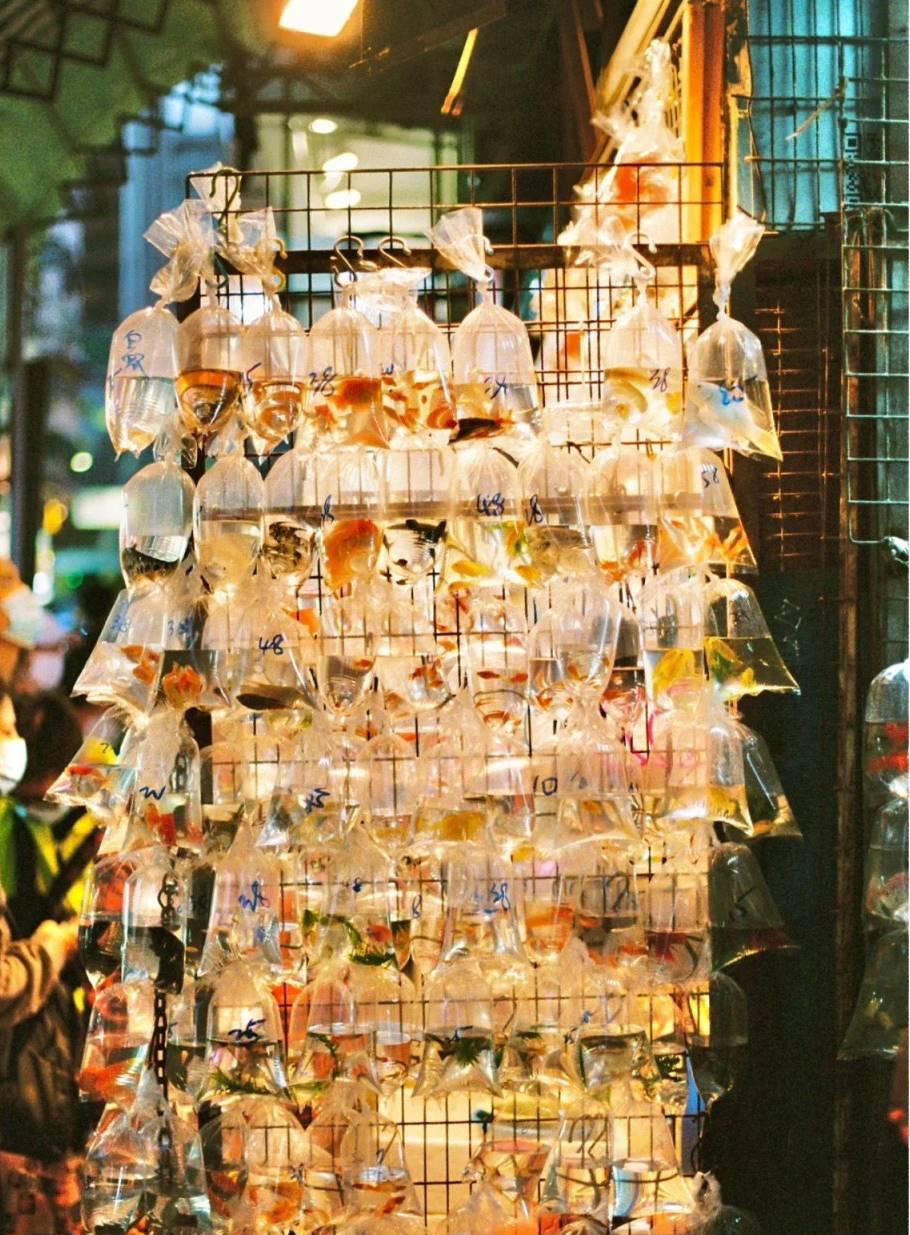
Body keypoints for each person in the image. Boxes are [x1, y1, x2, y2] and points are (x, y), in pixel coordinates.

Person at [0, 688, 96, 1235]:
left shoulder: (5, 821)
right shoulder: (98, 827)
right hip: (50, 1037)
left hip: (46, 1047)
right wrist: (54, 946)